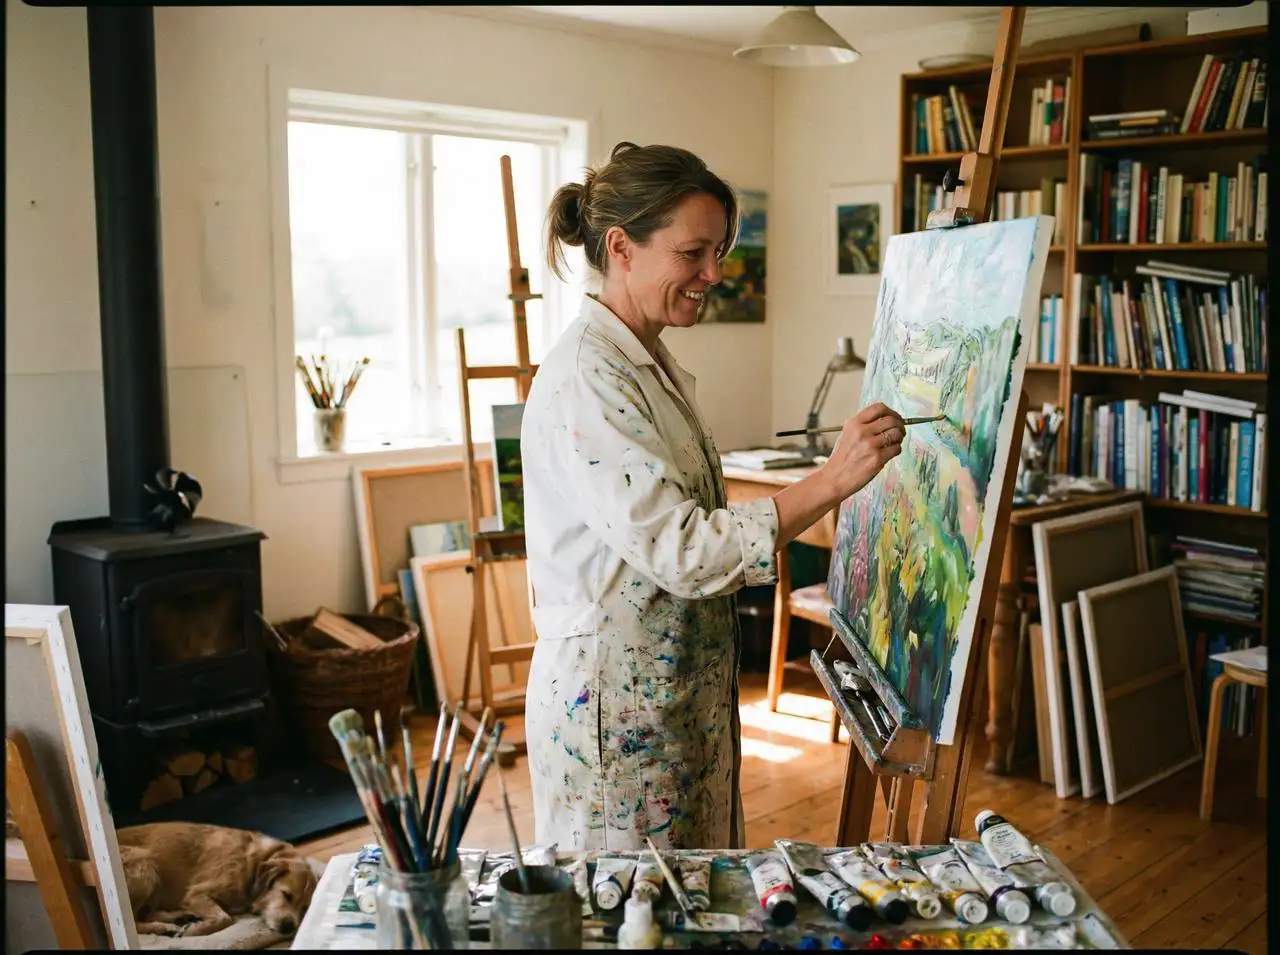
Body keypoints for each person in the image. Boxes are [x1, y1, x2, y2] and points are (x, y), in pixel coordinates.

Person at [520, 142, 906, 852]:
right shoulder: (588, 377)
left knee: (693, 898)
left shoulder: (647, 359)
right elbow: (685, 550)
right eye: (693, 253)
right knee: (635, 907)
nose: (714, 274)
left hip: (670, 701)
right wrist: (831, 479)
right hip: (616, 716)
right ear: (621, 248)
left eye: (718, 251)